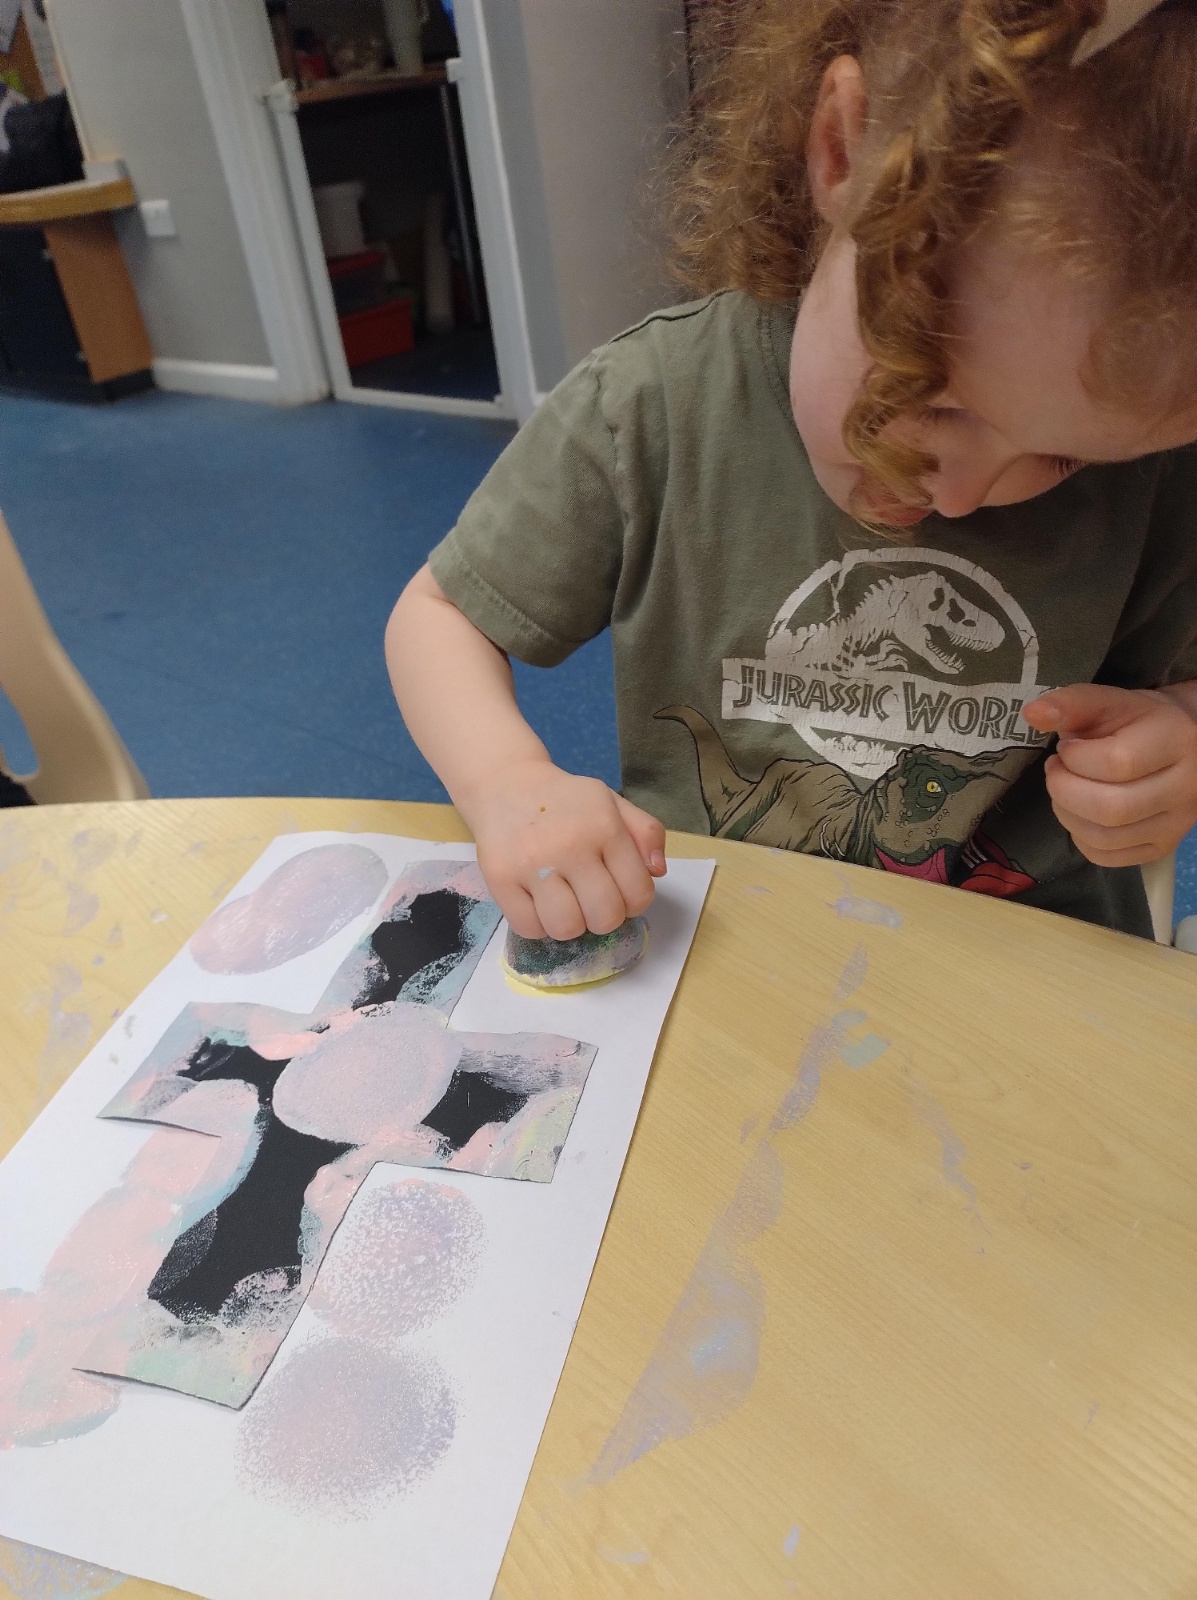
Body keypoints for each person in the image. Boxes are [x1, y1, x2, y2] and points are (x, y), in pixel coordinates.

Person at [387, 0, 1197, 943]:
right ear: (843, 151)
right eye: (935, 403)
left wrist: (1180, 739)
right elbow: (440, 616)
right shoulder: (653, 405)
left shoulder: (1164, 471)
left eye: (1065, 456)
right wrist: (507, 782)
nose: (957, 493)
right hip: (722, 941)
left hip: (1019, 968)